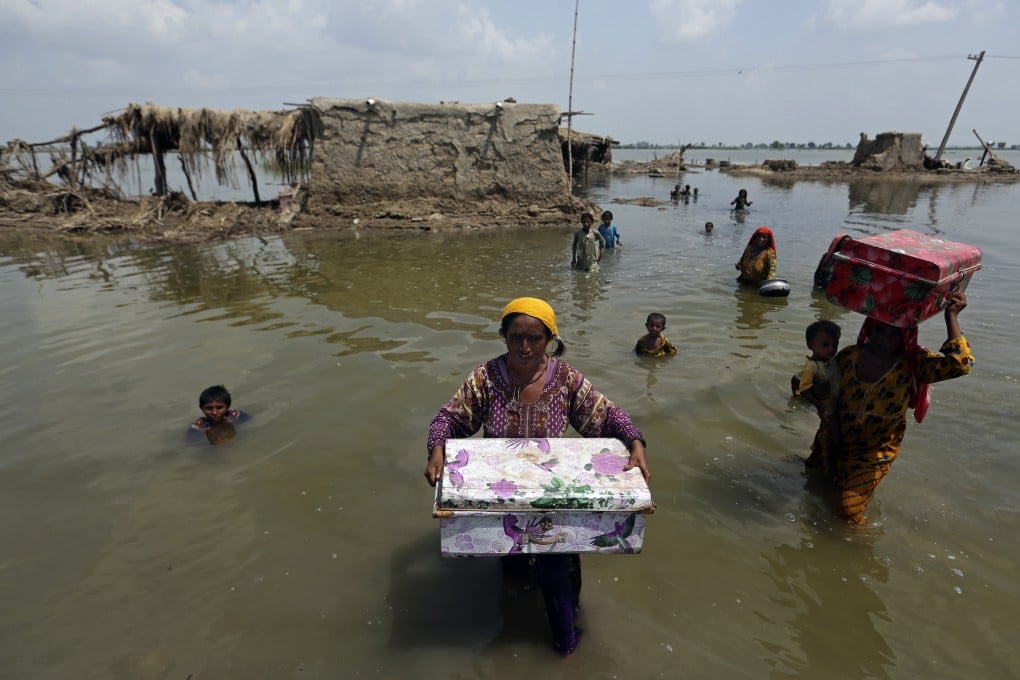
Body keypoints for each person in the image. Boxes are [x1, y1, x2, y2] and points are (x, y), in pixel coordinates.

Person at [424, 297, 648, 655]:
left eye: (535, 339)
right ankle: (513, 623)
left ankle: (566, 649)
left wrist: (635, 441)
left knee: (556, 574)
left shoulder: (565, 379)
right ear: (504, 337)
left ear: (550, 340)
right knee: (511, 568)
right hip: (502, 495)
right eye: (516, 338)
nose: (524, 348)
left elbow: (606, 416)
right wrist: (437, 448)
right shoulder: (485, 378)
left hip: (551, 496)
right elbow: (449, 418)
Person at [822, 292, 973, 525]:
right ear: (869, 330)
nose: (884, 339)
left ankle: (860, 549)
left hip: (873, 454)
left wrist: (951, 315)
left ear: (905, 337)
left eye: (893, 334)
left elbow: (960, 364)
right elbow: (826, 389)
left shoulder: (913, 363)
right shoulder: (849, 356)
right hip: (834, 441)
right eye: (879, 330)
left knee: (848, 512)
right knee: (813, 483)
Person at [793, 320, 842, 476]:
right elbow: (805, 388)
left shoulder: (830, 361)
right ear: (810, 345)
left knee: (827, 431)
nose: (831, 349)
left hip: (835, 402)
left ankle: (818, 451)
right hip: (827, 406)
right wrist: (818, 405)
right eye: (825, 345)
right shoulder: (812, 366)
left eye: (834, 345)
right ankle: (831, 464)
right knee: (836, 438)